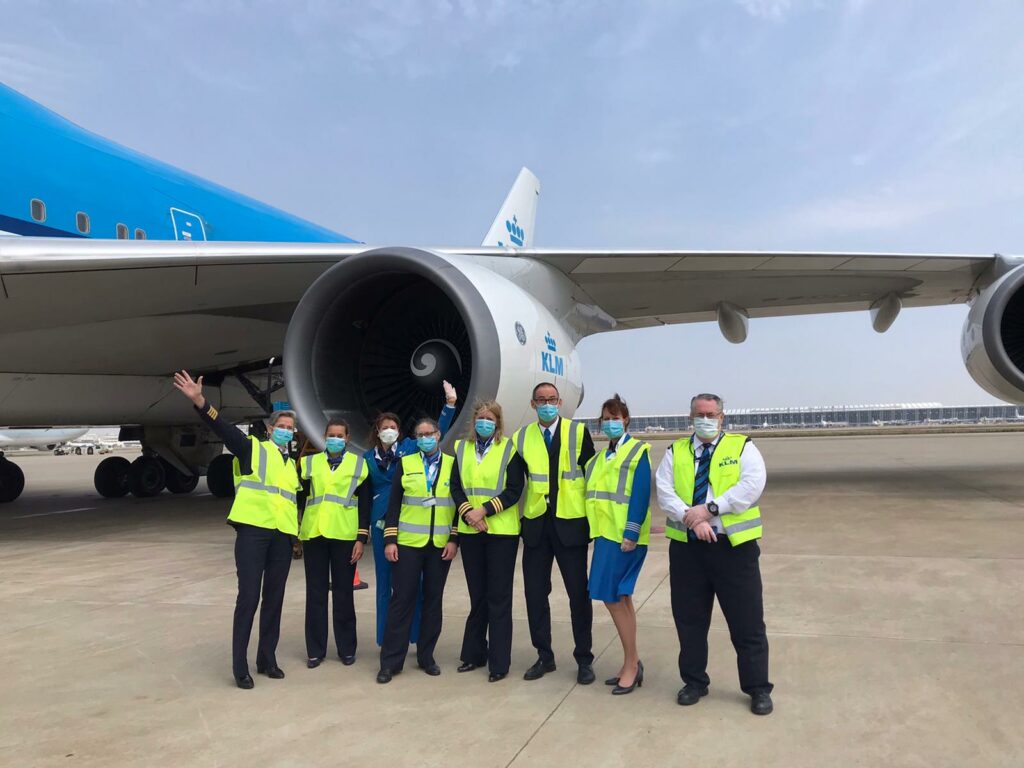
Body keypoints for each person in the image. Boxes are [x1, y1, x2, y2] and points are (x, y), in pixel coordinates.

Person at [173, 370, 299, 690]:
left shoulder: (292, 465)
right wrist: (201, 402)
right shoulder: (252, 449)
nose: (285, 432)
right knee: (249, 598)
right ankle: (240, 666)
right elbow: (223, 428)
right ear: (269, 429)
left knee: (274, 598)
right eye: (280, 427)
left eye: (289, 428)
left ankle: (266, 659)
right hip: (253, 534)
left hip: (282, 538)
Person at [655, 392, 774, 715]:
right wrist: (691, 520)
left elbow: (751, 486)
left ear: (722, 418)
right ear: (689, 417)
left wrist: (709, 510)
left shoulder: (742, 447)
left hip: (733, 549)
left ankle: (758, 688)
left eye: (711, 414)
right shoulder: (676, 451)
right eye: (699, 414)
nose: (705, 420)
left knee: (747, 622)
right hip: (687, 550)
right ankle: (694, 682)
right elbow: (664, 492)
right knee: (690, 621)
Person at [514, 382, 596, 685]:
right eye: (541, 400)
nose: (547, 404)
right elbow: (513, 484)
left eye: (552, 399)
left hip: (570, 523)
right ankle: (544, 656)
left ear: (559, 402)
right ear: (533, 404)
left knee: (578, 595)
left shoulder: (577, 432)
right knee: (535, 594)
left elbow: (592, 477)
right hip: (536, 524)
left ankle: (584, 658)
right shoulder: (521, 437)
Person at [367, 383, 458, 648]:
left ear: (400, 432)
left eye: (393, 428)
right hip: (381, 524)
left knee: (414, 586)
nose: (388, 432)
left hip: (410, 525)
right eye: (384, 428)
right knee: (385, 586)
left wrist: (449, 405)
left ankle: (416, 636)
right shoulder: (366, 457)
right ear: (377, 431)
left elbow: (433, 430)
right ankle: (386, 639)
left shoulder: (409, 449)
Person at [376, 417, 459, 683]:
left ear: (438, 435)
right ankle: (390, 662)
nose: (425, 438)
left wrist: (454, 539)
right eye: (420, 434)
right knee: (401, 601)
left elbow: (459, 504)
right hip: (409, 544)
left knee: (433, 602)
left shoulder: (453, 464)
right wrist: (390, 540)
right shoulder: (406, 463)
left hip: (439, 546)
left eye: (429, 433)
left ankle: (427, 657)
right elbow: (395, 505)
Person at [450, 400, 526, 682]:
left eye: (490, 418)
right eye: (480, 417)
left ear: (498, 422)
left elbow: (515, 489)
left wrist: (485, 510)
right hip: (471, 531)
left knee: (499, 597)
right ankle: (473, 654)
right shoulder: (461, 448)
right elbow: (455, 487)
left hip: (501, 533)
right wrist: (469, 513)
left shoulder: (509, 449)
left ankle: (499, 662)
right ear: (474, 421)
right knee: (477, 595)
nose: (484, 422)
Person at [585, 394, 651, 695]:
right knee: (621, 599)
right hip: (605, 535)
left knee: (613, 598)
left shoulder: (638, 451)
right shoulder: (600, 458)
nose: (610, 423)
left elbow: (639, 493)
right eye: (606, 418)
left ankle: (631, 663)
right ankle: (632, 662)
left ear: (625, 420)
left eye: (615, 418)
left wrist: (632, 533)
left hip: (624, 537)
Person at [298, 418, 372, 669]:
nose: (335, 439)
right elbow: (300, 498)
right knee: (315, 594)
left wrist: (361, 538)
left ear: (347, 438)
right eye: (331, 434)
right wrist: (296, 532)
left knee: (343, 595)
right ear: (324, 436)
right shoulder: (309, 463)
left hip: (344, 536)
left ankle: (346, 648)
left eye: (340, 435)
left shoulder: (359, 465)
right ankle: (315, 650)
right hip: (315, 535)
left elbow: (365, 505)